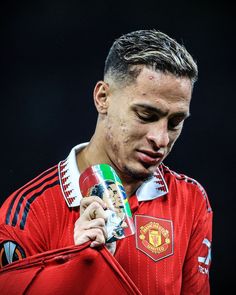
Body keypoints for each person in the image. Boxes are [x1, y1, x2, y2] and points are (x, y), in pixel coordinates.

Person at [0, 29, 213, 294]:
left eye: (175, 122)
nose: (160, 139)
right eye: (146, 114)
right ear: (103, 98)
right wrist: (78, 265)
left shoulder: (191, 200)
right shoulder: (27, 213)